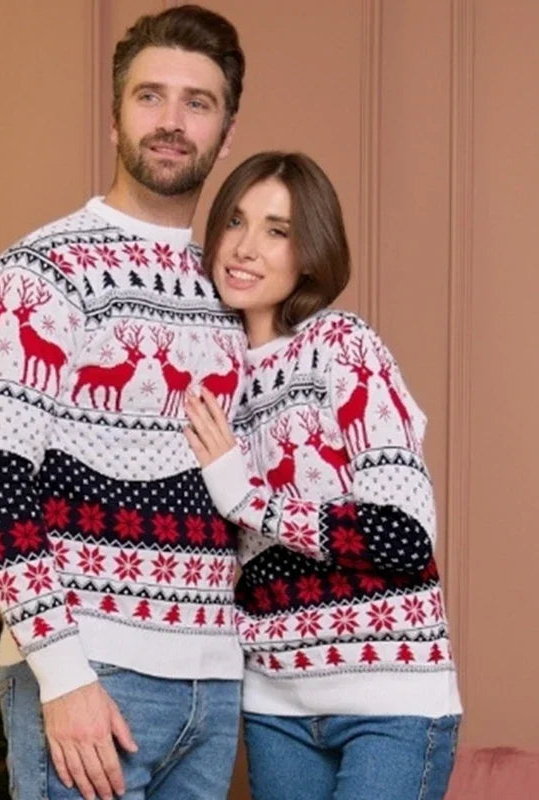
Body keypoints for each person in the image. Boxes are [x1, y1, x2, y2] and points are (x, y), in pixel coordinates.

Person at [0, 7, 247, 800]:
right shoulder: (39, 273)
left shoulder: (241, 290)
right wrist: (64, 673)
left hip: (215, 686)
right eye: (151, 97)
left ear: (226, 129)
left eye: (198, 102)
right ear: (116, 116)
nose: (172, 122)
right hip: (97, 672)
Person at [183, 151, 462, 800]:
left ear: (309, 253)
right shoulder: (204, 381)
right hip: (275, 708)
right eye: (235, 222)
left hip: (389, 704)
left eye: (277, 231)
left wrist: (250, 500)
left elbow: (403, 536)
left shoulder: (344, 347)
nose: (247, 248)